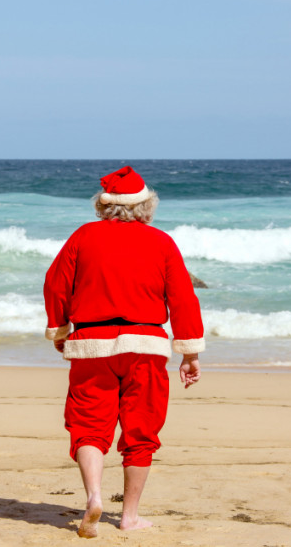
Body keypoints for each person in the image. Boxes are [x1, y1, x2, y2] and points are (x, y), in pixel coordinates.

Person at [44, 165, 204, 538]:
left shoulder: (83, 236)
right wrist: (189, 353)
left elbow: (56, 283)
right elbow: (182, 299)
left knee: (87, 426)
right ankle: (129, 516)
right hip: (144, 346)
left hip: (91, 345)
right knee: (141, 431)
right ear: (145, 206)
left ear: (103, 206)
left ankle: (94, 497)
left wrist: (59, 330)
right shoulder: (161, 242)